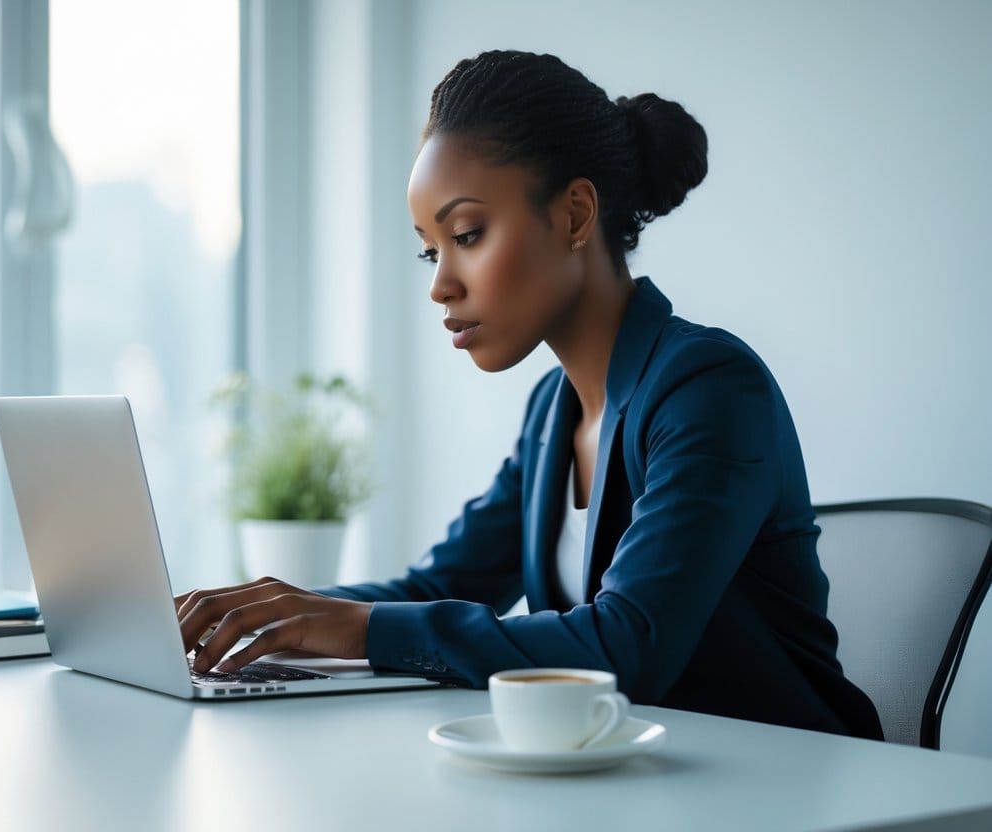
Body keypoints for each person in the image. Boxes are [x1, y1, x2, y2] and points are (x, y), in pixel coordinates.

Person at [176, 50, 883, 740]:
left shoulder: (706, 388)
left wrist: (350, 627)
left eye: (467, 234)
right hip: (631, 788)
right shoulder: (555, 408)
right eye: (430, 249)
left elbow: (625, 646)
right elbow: (439, 590)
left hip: (787, 786)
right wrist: (267, 613)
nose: (439, 284)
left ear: (575, 215)